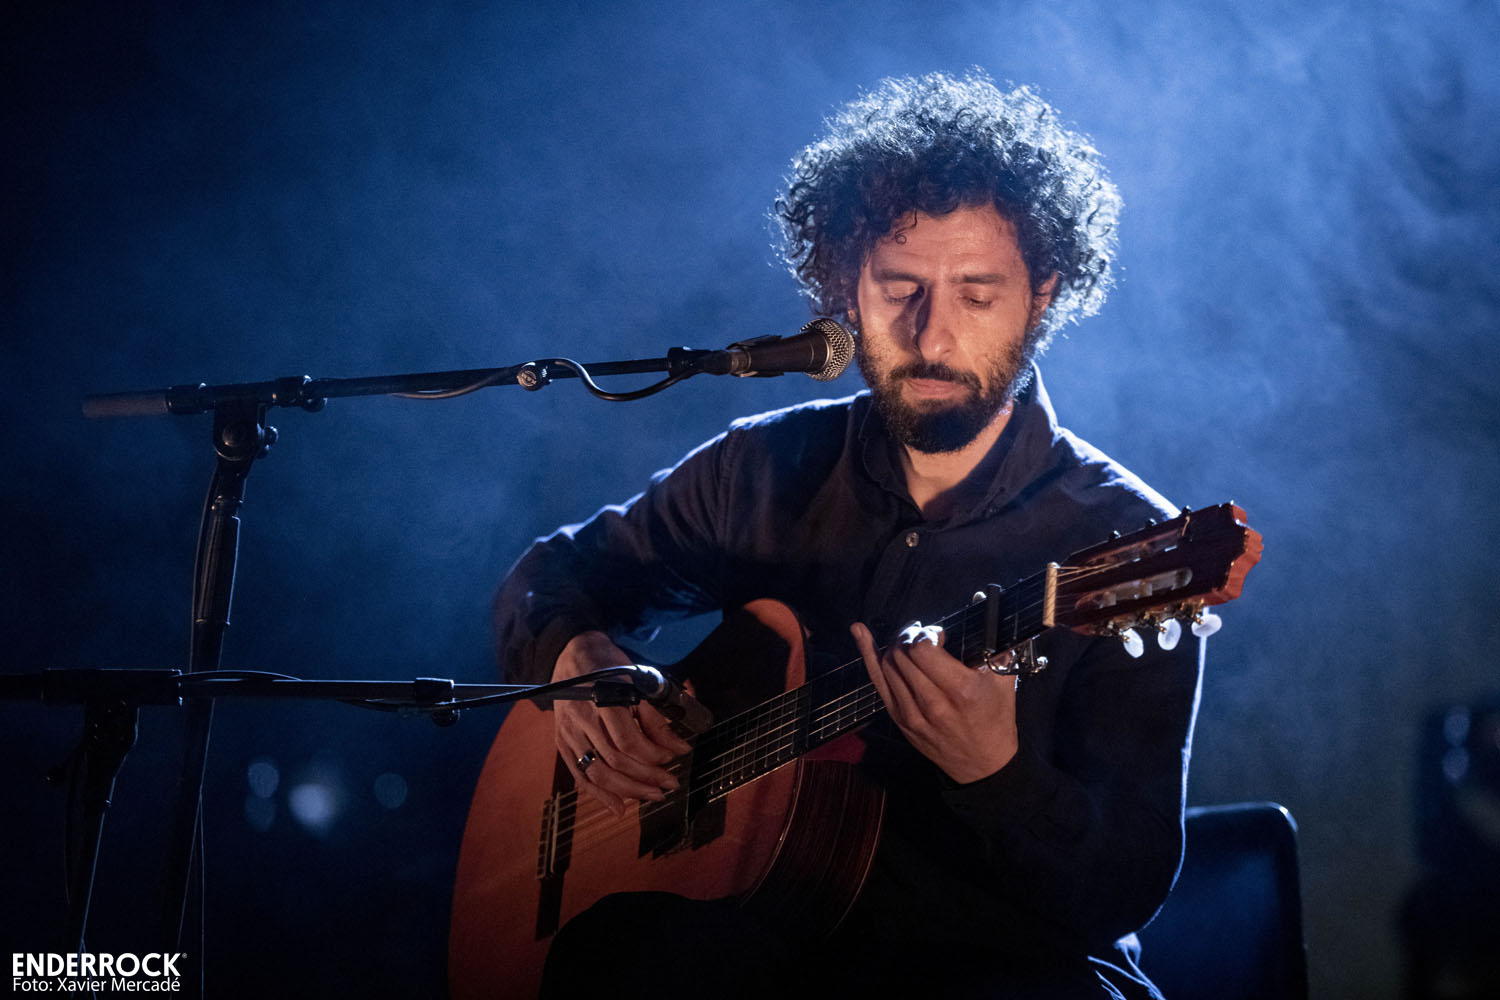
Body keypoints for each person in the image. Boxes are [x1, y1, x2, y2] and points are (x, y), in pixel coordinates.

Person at [493, 71, 1201, 998]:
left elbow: (1122, 887)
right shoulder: (762, 469)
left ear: (1042, 296)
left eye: (976, 295)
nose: (932, 336)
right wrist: (575, 658)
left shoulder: (1129, 542)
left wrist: (996, 773)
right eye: (899, 288)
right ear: (844, 289)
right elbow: (549, 576)